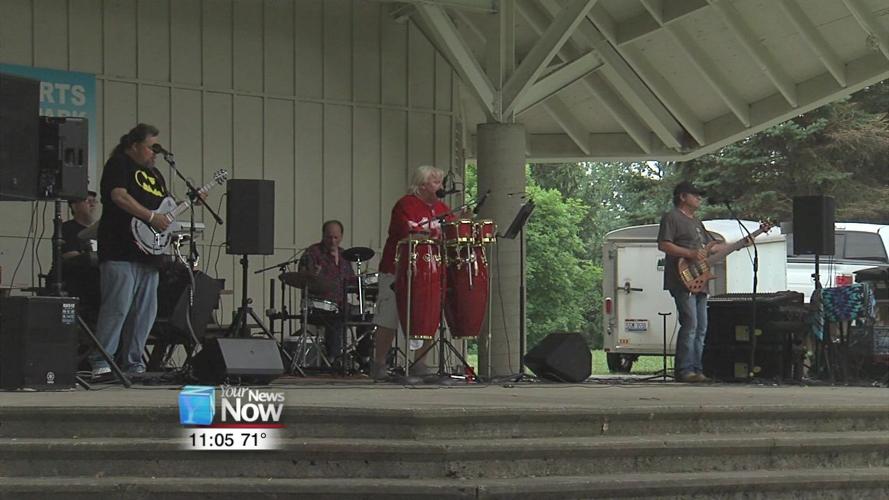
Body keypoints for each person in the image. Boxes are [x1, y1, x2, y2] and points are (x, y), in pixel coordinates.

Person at [89, 124, 170, 380]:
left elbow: (164, 208)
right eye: (150, 147)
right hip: (120, 248)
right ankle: (102, 362)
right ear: (134, 145)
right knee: (117, 307)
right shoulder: (119, 164)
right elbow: (118, 196)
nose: (154, 153)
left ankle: (134, 363)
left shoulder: (156, 174)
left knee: (145, 312)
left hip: (149, 252)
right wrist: (150, 216)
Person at [373, 165, 452, 380]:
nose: (441, 186)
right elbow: (408, 230)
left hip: (430, 271)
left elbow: (452, 233)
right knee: (389, 316)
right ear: (423, 185)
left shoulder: (443, 208)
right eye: (436, 182)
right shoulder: (405, 205)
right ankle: (379, 362)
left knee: (428, 314)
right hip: (397, 268)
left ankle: (420, 363)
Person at [657, 181, 733, 383]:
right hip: (682, 280)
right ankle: (684, 370)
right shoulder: (672, 217)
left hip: (700, 281)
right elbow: (664, 244)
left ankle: (697, 369)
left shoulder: (697, 222)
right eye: (695, 194)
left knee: (701, 327)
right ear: (682, 197)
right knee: (690, 324)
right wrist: (689, 253)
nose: (699, 198)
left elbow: (711, 249)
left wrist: (737, 245)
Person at [298, 220, 355, 366]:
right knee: (335, 317)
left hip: (342, 304)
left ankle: (364, 358)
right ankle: (333, 359)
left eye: (336, 237)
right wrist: (312, 274)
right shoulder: (312, 252)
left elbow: (351, 281)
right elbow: (301, 277)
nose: (332, 241)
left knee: (366, 317)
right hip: (318, 306)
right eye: (329, 237)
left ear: (341, 236)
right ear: (323, 236)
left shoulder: (345, 255)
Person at [57, 191, 101, 322]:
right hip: (80, 280)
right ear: (74, 206)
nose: (92, 204)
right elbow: (69, 255)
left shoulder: (102, 230)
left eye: (94, 201)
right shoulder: (67, 228)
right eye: (88, 201)